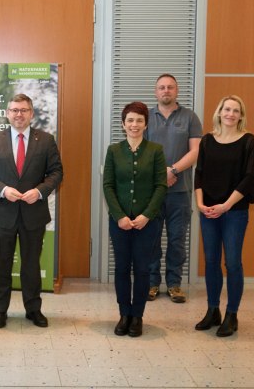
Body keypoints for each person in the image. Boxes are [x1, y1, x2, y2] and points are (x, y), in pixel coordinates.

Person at [0, 93, 64, 329]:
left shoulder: (45, 140)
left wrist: (40, 191)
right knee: (1, 264)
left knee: (31, 266)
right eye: (14, 110)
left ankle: (33, 309)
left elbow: (56, 173)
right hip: (2, 214)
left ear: (31, 114)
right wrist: (3, 190)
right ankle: (0, 311)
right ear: (7, 113)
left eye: (24, 110)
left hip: (33, 213)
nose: (19, 114)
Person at [194, 95, 254, 337]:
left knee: (232, 263)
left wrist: (226, 205)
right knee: (211, 262)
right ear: (219, 112)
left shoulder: (248, 141)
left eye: (236, 110)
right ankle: (213, 311)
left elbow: (249, 177)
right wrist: (201, 203)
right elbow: (199, 173)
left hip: (234, 212)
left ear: (241, 116)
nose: (231, 114)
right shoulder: (207, 141)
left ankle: (232, 314)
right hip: (208, 211)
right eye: (227, 109)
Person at [103, 102, 167, 337]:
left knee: (142, 269)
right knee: (121, 268)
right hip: (119, 222)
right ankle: (124, 314)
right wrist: (119, 216)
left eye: (139, 120)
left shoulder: (155, 150)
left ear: (146, 124)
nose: (134, 124)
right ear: (123, 124)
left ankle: (137, 316)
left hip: (147, 222)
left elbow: (161, 186)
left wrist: (146, 216)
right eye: (130, 120)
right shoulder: (114, 150)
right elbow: (108, 185)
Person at [145, 74, 202, 303]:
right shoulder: (146, 117)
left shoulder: (190, 117)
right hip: (151, 192)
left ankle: (175, 285)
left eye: (170, 87)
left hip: (181, 192)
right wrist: (162, 175)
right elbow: (141, 151)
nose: (166, 91)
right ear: (155, 92)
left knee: (177, 239)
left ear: (177, 91)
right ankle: (151, 283)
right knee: (151, 239)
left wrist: (173, 171)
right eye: (161, 87)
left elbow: (196, 152)